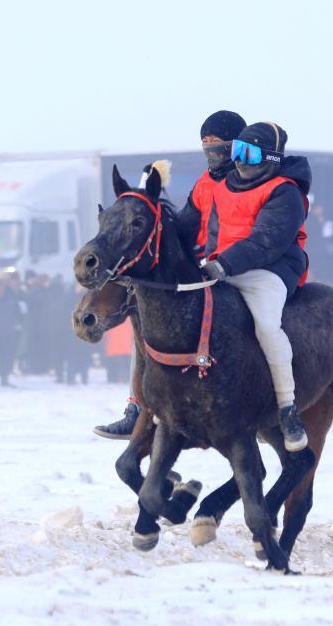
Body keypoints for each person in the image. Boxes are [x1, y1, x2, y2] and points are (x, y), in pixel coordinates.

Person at [94, 109, 248, 439]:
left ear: (236, 147)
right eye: (206, 145)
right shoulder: (204, 184)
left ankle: (279, 404)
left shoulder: (249, 179)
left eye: (218, 145)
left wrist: (222, 260)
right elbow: (186, 226)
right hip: (201, 268)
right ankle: (138, 406)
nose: (211, 153)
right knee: (145, 318)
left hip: (238, 268)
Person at [200, 121, 311, 451]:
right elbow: (214, 235)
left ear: (271, 158)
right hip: (224, 267)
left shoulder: (285, 191)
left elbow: (267, 240)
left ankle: (288, 408)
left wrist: (224, 264)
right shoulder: (224, 187)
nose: (240, 160)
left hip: (270, 270)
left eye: (248, 153)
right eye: (238, 151)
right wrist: (208, 262)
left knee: (266, 326)